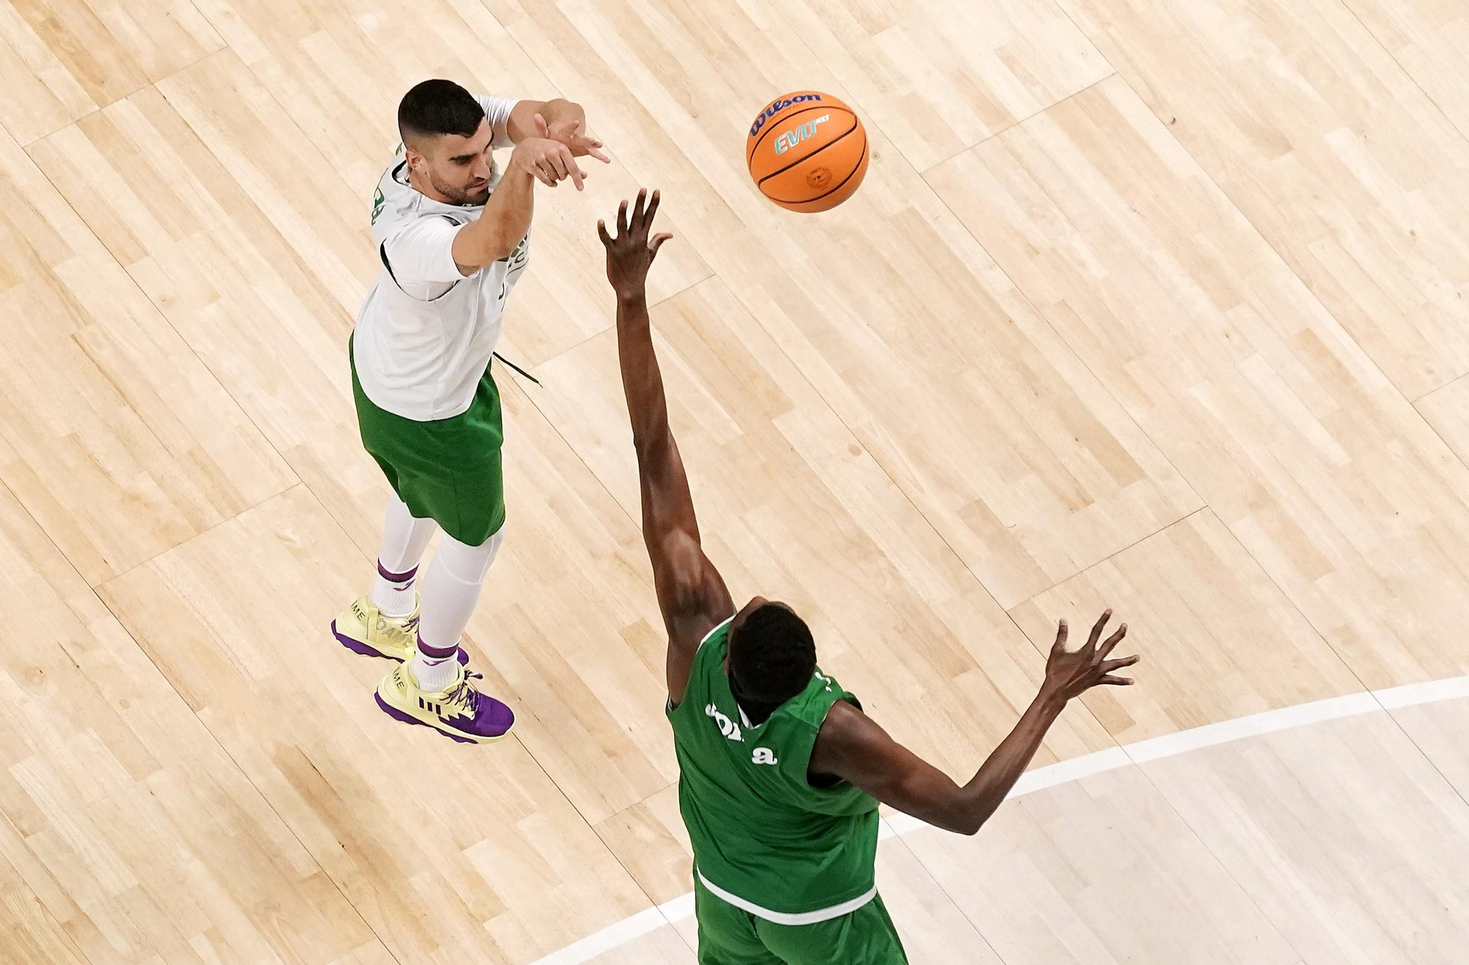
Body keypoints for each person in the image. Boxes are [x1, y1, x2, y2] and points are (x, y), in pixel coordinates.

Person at [597, 189, 1141, 964]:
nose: (746, 595)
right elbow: (964, 807)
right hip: (819, 927)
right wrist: (1054, 691)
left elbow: (653, 449)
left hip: (723, 902)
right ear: (810, 675)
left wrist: (630, 298)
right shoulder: (833, 732)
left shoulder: (691, 630)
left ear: (730, 640)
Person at [335, 78, 608, 745]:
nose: (481, 166)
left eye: (487, 152)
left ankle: (387, 608)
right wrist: (524, 165)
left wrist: (556, 131)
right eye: (464, 162)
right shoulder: (414, 238)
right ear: (417, 161)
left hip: (399, 374)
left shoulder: (448, 141)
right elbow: (493, 236)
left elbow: (543, 109)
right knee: (477, 536)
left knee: (420, 493)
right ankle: (427, 682)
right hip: (432, 410)